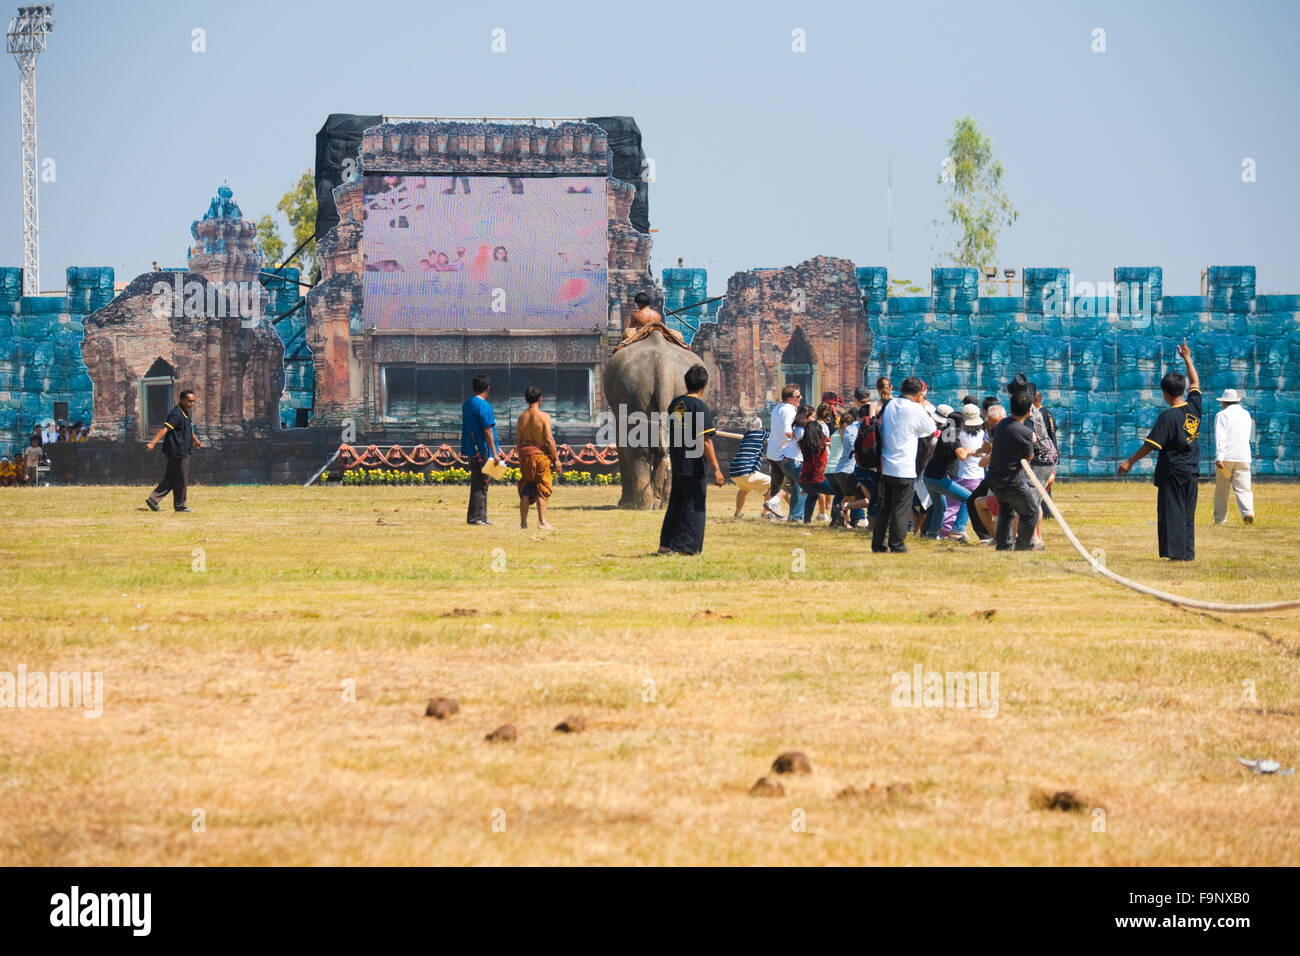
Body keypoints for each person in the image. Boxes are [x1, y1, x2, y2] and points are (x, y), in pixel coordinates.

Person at [1117, 338, 1201, 561]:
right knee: (1187, 513)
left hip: (1173, 472)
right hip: (1192, 472)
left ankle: (1176, 555)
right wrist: (1188, 359)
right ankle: (1188, 553)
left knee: (1172, 513)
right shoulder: (1194, 408)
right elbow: (1196, 382)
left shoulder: (1168, 416)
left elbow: (1150, 445)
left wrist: (1130, 462)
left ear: (1165, 392)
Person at [658, 364, 724, 555]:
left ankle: (666, 545)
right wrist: (717, 469)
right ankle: (686, 547)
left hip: (678, 462)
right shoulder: (699, 407)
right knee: (694, 506)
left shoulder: (676, 404)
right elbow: (705, 441)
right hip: (694, 465)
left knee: (676, 504)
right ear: (703, 385)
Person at [872, 377, 938, 554]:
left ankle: (878, 544)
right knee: (901, 508)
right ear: (919, 394)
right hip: (905, 467)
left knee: (884, 507)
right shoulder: (916, 408)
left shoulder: (890, 404)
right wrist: (923, 406)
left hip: (885, 464)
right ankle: (897, 544)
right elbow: (931, 428)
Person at [988, 390, 1041, 551]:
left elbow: (996, 435)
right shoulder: (1024, 432)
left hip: (995, 478)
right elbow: (1029, 456)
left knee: (1006, 511)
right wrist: (1032, 439)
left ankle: (1004, 546)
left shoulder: (1001, 424)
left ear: (1010, 409)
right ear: (1028, 411)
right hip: (1012, 481)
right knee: (1031, 512)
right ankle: (1024, 546)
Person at [144, 389, 201, 512]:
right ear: (181, 400)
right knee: (181, 478)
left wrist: (195, 441)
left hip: (183, 448)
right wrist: (153, 443)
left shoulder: (186, 413)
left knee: (172, 477)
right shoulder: (176, 414)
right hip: (177, 450)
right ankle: (180, 505)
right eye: (189, 401)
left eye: (193, 401)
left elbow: (188, 430)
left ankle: (153, 499)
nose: (192, 404)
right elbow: (165, 429)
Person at [516, 386, 560, 530]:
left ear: (526, 400)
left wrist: (522, 459)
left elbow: (518, 441)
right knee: (542, 487)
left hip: (526, 455)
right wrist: (556, 460)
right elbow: (548, 438)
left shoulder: (521, 418)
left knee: (526, 487)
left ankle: (523, 523)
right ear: (540, 399)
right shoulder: (543, 417)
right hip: (541, 456)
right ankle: (542, 522)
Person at [462, 374, 503, 526]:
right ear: (487, 389)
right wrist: (495, 452)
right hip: (483, 449)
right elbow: (488, 430)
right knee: (483, 482)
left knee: (478, 482)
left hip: (471, 448)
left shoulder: (467, 404)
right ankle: (477, 518)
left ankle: (480, 516)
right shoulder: (484, 406)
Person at [1213, 388, 1255, 525]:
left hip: (1226, 458)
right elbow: (1249, 436)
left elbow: (1220, 437)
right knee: (1244, 488)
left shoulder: (1221, 415)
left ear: (1224, 402)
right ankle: (1248, 512)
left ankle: (1220, 519)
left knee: (1222, 490)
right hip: (1243, 457)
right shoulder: (1246, 414)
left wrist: (1219, 456)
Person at [764, 384, 802, 520]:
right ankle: (795, 515)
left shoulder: (777, 408)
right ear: (790, 398)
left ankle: (773, 514)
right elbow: (788, 432)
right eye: (798, 396)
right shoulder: (790, 410)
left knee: (776, 483)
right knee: (794, 484)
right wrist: (801, 437)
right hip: (784, 453)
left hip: (772, 452)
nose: (800, 398)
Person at [798, 404, 836, 523]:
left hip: (804, 480)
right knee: (840, 492)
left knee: (812, 495)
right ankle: (836, 520)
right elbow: (830, 441)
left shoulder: (803, 445)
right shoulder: (822, 445)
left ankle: (807, 520)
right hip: (818, 479)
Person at [728, 416, 771, 519]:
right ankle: (766, 514)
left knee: (743, 489)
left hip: (734, 472)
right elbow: (774, 438)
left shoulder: (746, 436)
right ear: (760, 427)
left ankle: (738, 513)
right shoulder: (761, 434)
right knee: (774, 485)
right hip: (746, 472)